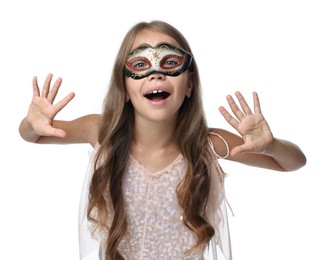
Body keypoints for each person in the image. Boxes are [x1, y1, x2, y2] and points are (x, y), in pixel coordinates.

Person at [19, 20, 306, 260]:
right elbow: (35, 136)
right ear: (124, 85)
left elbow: (292, 162)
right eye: (141, 64)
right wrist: (31, 125)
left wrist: (272, 146)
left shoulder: (208, 143)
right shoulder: (100, 131)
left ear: (189, 84)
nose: (156, 73)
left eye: (170, 62)